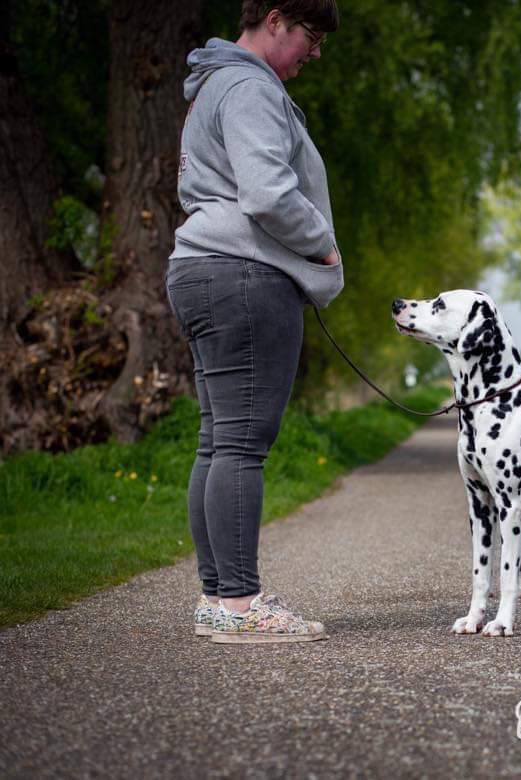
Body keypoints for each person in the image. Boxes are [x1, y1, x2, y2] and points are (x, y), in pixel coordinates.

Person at [167, 0, 342, 644]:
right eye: (311, 35)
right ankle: (241, 607)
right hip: (242, 275)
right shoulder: (247, 86)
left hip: (203, 269)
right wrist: (322, 246)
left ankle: (219, 599)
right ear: (275, 19)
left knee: (218, 440)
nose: (315, 52)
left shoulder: (216, 81)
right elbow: (268, 191)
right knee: (240, 443)